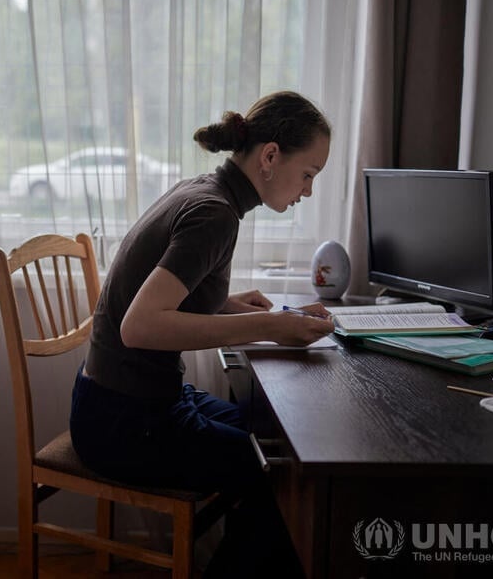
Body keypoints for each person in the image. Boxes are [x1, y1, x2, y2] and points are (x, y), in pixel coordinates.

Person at [69, 90, 335, 577]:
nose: (308, 191)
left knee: (271, 440)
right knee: (278, 476)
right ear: (270, 156)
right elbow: (139, 325)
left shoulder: (205, 191)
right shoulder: (215, 214)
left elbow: (163, 296)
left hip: (118, 401)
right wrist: (270, 326)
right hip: (122, 421)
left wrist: (229, 304)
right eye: (308, 174)